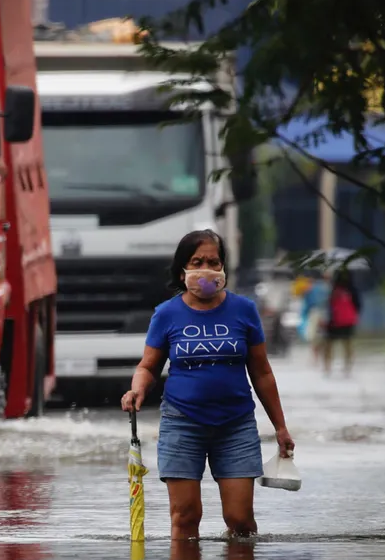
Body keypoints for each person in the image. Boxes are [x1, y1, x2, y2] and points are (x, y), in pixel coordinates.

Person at [120, 229, 295, 540]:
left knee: (240, 521)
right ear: (182, 269)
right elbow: (148, 366)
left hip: (236, 425)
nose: (206, 269)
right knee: (185, 519)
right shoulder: (167, 314)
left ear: (223, 267)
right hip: (181, 424)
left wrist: (280, 427)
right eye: (197, 261)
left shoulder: (244, 310)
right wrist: (137, 389)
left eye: (213, 262)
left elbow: (262, 373)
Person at [322, 267, 362, 375]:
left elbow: (328, 305)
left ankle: (327, 367)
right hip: (348, 321)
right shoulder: (353, 289)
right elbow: (358, 306)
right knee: (347, 344)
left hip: (334, 321)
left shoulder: (334, 289)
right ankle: (347, 367)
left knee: (329, 344)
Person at [299, 271, 331, 362]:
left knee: (314, 337)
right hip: (326, 313)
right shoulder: (327, 287)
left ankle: (315, 358)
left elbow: (307, 303)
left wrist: (305, 314)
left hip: (314, 313)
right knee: (324, 336)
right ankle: (323, 358)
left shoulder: (310, 288)